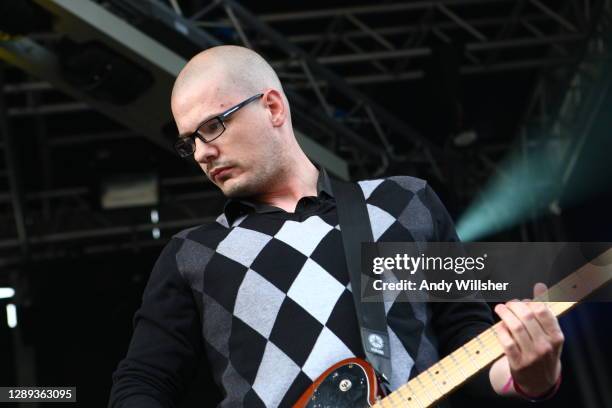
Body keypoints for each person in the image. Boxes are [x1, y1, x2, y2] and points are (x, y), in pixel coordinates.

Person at [109, 45, 563, 407]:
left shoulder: (404, 202)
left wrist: (529, 378)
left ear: (272, 107)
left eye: (212, 126)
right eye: (190, 141)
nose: (203, 152)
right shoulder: (195, 252)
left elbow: (468, 336)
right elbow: (143, 381)